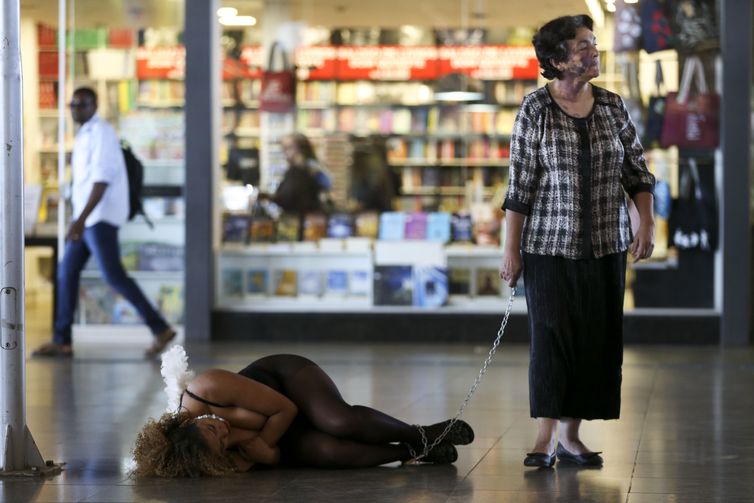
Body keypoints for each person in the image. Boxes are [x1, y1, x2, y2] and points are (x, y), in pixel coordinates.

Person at [498, 15, 655, 468]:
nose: (594, 52)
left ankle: (571, 435)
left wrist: (645, 223)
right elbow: (519, 187)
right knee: (551, 340)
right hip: (548, 248)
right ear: (557, 60)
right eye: (583, 46)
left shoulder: (612, 106)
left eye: (593, 43)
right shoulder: (535, 110)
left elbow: (638, 172)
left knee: (596, 340)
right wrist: (511, 250)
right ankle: (544, 437)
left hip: (606, 246)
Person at [132, 353, 475, 477]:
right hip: (282, 429)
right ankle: (412, 452)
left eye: (212, 428)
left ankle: (425, 434)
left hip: (287, 383)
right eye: (222, 442)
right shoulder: (205, 456)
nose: (223, 432)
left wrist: (261, 446)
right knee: (327, 451)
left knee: (337, 421)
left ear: (190, 421)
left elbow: (285, 408)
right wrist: (262, 452)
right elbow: (272, 459)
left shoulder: (206, 388)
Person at [32, 87, 176, 359]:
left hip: (98, 219)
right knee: (66, 273)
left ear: (94, 105)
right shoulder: (86, 133)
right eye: (73, 104)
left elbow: (101, 181)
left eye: (82, 104)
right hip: (88, 220)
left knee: (113, 275)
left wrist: (80, 220)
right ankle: (62, 341)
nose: (76, 109)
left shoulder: (101, 133)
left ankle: (160, 327)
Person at [273, 132, 332, 214]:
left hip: (309, 218)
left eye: (289, 148)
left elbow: (327, 184)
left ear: (300, 148)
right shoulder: (292, 169)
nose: (285, 153)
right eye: (283, 149)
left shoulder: (311, 166)